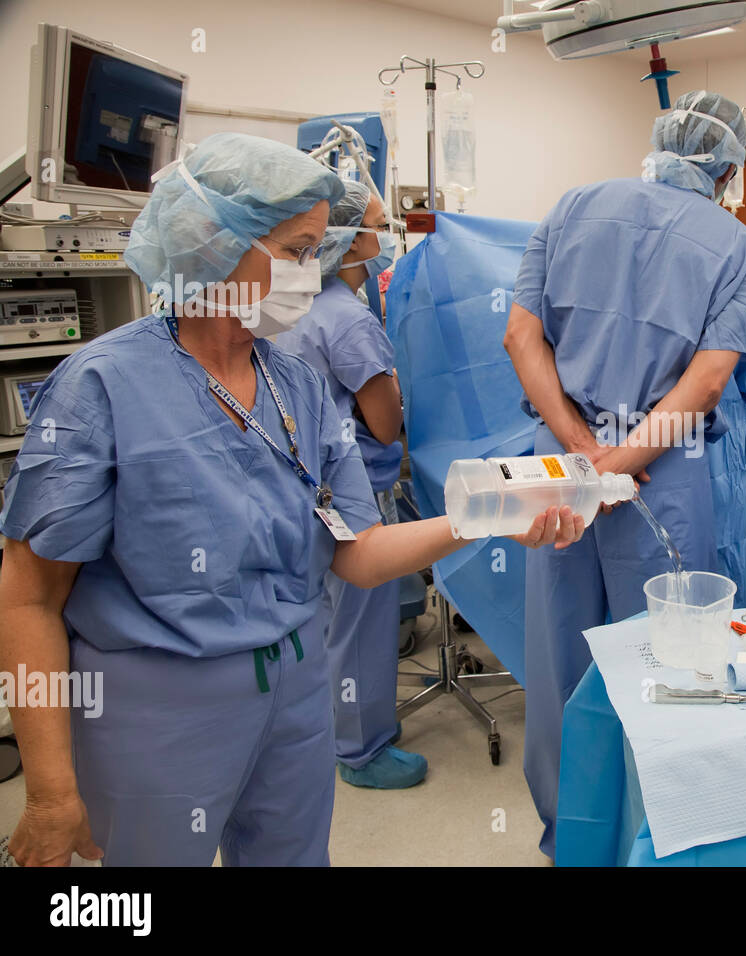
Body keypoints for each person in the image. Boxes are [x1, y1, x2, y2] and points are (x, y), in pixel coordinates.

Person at [0, 133, 583, 867]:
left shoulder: (296, 386)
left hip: (296, 699)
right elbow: (27, 600)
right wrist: (51, 794)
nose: (315, 273)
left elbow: (360, 554)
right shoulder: (101, 388)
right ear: (212, 241)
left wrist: (490, 512)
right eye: (299, 250)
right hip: (156, 717)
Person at [504, 90, 746, 857]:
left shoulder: (571, 208)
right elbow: (708, 382)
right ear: (729, 168)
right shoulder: (737, 246)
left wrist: (579, 451)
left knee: (563, 654)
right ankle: (651, 836)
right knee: (664, 668)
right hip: (662, 477)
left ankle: (571, 836)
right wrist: (618, 464)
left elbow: (521, 336)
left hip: (563, 470)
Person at [275, 180, 420, 789]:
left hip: (304, 488)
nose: (388, 238)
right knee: (361, 621)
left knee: (330, 619)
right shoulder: (347, 320)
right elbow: (385, 428)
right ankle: (362, 749)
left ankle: (336, 725)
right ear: (346, 239)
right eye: (380, 226)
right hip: (357, 490)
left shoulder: (294, 304)